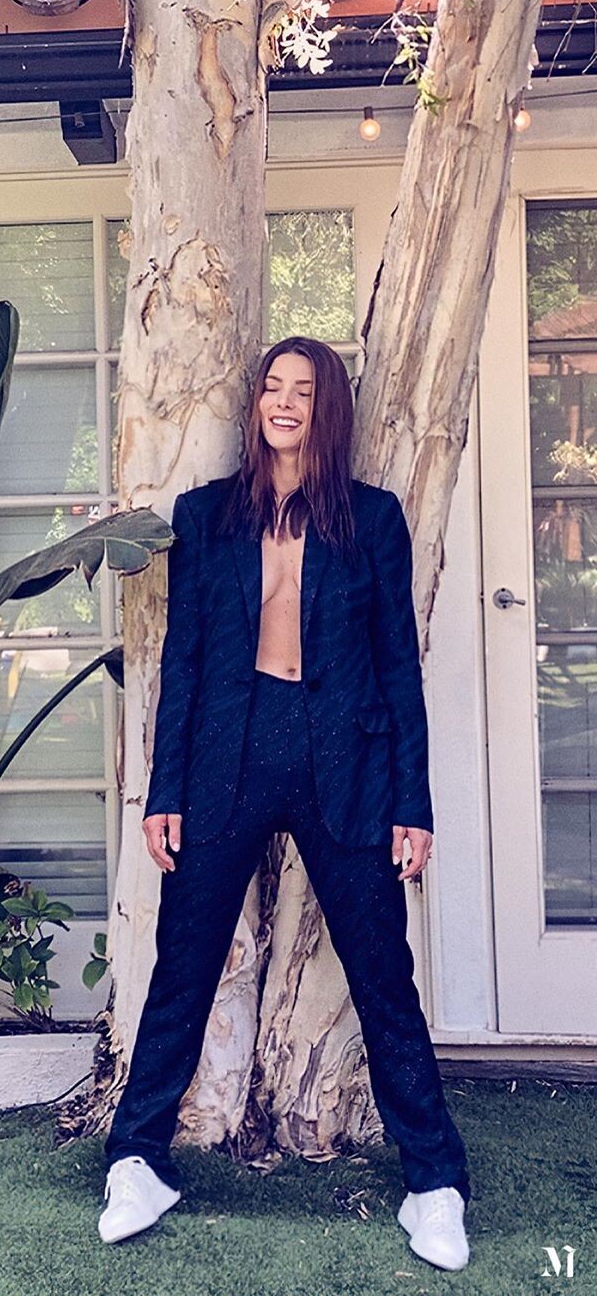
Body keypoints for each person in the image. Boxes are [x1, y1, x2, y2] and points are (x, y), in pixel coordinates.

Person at [98, 337, 472, 1272]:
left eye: (303, 390)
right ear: (256, 402)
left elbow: (399, 667)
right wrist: (165, 789)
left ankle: (435, 1183)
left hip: (345, 764)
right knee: (183, 966)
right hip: (228, 759)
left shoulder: (371, 519)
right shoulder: (206, 515)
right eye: (273, 386)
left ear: (326, 408)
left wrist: (413, 804)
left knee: (384, 976)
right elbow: (182, 663)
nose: (284, 401)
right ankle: (137, 1160)